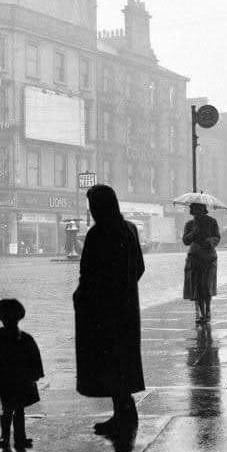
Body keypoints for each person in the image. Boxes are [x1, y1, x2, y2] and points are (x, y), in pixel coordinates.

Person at [73, 184, 145, 436]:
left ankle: (124, 415)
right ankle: (124, 413)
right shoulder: (129, 229)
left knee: (109, 361)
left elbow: (88, 272)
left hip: (103, 311)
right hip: (126, 307)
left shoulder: (98, 234)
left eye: (93, 206)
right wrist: (125, 289)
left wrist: (84, 296)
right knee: (122, 360)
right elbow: (139, 267)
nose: (92, 211)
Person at [0, 298, 44, 451]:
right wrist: (36, 374)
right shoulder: (25, 338)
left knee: (9, 409)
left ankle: (6, 436)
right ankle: (19, 438)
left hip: (6, 380)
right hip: (21, 380)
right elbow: (34, 357)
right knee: (18, 410)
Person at [182, 203, 220, 324]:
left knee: (206, 286)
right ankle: (199, 312)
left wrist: (210, 241)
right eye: (193, 210)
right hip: (194, 258)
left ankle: (207, 310)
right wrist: (193, 233)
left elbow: (217, 237)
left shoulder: (212, 222)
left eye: (198, 210)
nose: (196, 213)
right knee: (196, 287)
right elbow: (185, 241)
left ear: (203, 210)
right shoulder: (190, 224)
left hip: (209, 259)